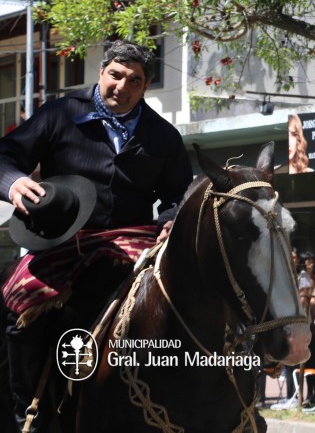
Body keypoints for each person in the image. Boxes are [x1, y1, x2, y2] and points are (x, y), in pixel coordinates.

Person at [0, 40, 193, 431]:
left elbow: (179, 193)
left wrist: (172, 218)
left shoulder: (163, 135)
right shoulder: (60, 113)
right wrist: (14, 181)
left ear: (145, 86)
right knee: (18, 305)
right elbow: (6, 155)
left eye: (134, 80)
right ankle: (28, 414)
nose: (122, 86)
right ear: (102, 73)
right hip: (63, 241)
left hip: (136, 242)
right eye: (115, 75)